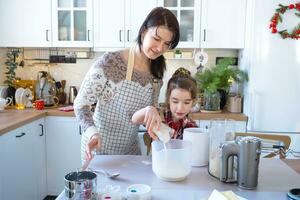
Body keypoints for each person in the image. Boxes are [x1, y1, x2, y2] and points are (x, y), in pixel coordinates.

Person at [74, 7, 180, 163]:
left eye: (166, 44)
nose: (160, 48)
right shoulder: (111, 63)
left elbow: (145, 114)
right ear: (143, 32)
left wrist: (159, 125)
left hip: (130, 152)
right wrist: (92, 133)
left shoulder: (156, 71)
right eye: (156, 39)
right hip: (99, 149)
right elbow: (80, 104)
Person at [132, 67, 198, 142]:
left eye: (186, 102)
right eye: (175, 101)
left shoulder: (191, 127)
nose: (180, 108)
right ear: (168, 99)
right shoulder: (158, 116)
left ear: (193, 101)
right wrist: (148, 109)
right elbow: (135, 119)